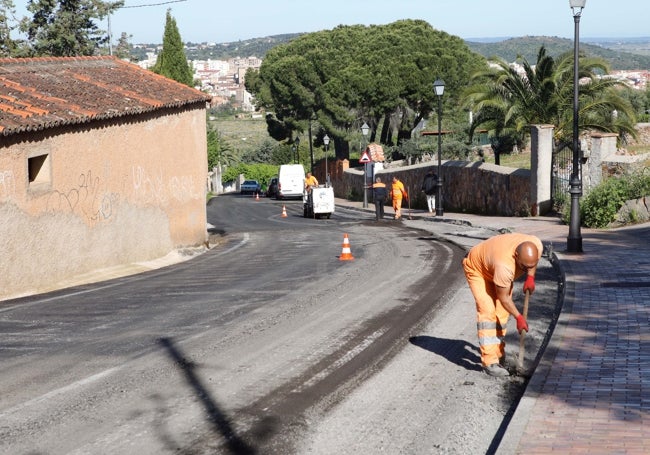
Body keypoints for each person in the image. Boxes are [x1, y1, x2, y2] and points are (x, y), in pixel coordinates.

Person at [462, 233, 543, 377]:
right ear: (516, 256)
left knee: (501, 313)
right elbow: (503, 297)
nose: (527, 269)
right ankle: (490, 363)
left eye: (531, 265)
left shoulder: (536, 244)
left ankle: (499, 353)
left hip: (494, 265)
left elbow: (531, 263)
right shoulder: (504, 265)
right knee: (488, 311)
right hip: (478, 270)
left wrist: (531, 277)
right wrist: (519, 317)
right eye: (524, 267)